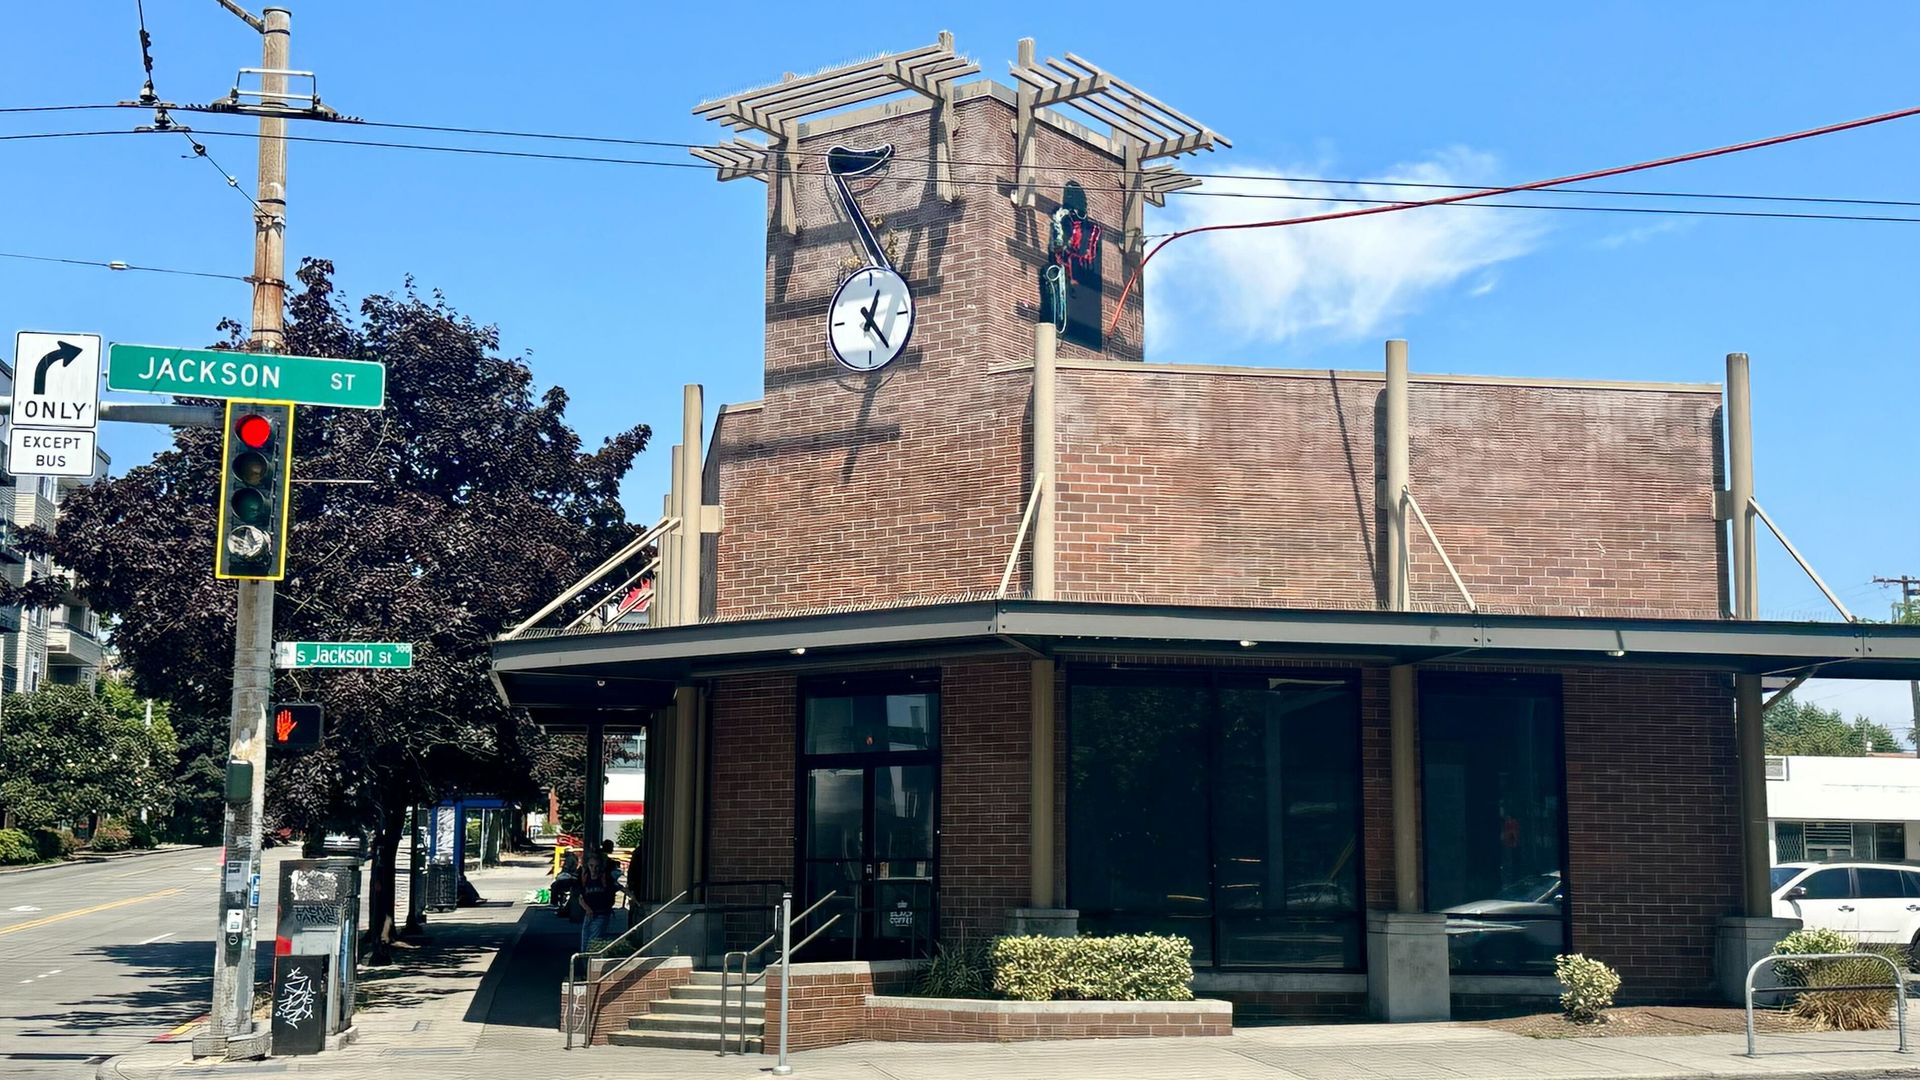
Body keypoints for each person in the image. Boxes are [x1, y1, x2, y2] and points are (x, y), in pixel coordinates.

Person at [577, 854, 622, 954]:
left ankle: (590, 964)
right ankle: (585, 964)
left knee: (594, 941)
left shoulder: (605, 878)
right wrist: (587, 908)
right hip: (589, 914)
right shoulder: (585, 877)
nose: (594, 869)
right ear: (587, 866)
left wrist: (635, 900)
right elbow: (580, 898)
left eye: (596, 866)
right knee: (584, 944)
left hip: (602, 914)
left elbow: (620, 887)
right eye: (591, 866)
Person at [552, 847, 580, 915]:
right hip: (571, 876)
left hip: (568, 877)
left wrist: (560, 874)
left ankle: (554, 902)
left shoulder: (569, 859)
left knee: (554, 885)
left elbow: (566, 869)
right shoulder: (574, 857)